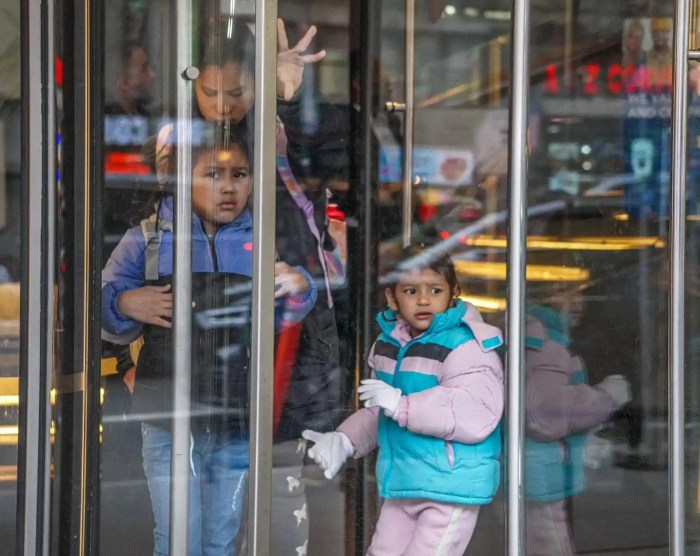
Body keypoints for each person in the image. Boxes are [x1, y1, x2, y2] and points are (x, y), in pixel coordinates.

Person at [101, 122, 317, 556]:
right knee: (178, 538)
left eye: (239, 174)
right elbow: (103, 313)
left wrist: (300, 285)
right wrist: (123, 304)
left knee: (222, 537)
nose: (228, 188)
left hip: (237, 413)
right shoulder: (149, 238)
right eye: (212, 175)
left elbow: (283, 316)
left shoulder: (264, 238)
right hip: (168, 416)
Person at [192, 15, 349, 554]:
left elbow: (335, 154)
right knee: (238, 483)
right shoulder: (212, 151)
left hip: (300, 321)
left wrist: (283, 101)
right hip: (248, 331)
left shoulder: (275, 134)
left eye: (237, 92)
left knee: (279, 478)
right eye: (210, 92)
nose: (223, 104)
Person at [303, 244, 505, 556]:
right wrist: (345, 440)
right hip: (404, 481)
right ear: (391, 298)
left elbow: (476, 414)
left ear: (453, 294)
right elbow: (382, 411)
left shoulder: (467, 344)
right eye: (410, 290)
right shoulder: (389, 345)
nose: (423, 299)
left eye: (435, 290)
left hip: (449, 486)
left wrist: (403, 405)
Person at [524, 253, 632, 555]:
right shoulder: (546, 346)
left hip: (530, 471)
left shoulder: (532, 336)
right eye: (563, 290)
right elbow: (543, 414)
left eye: (580, 291)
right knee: (552, 545)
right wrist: (606, 396)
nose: (576, 301)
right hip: (538, 476)